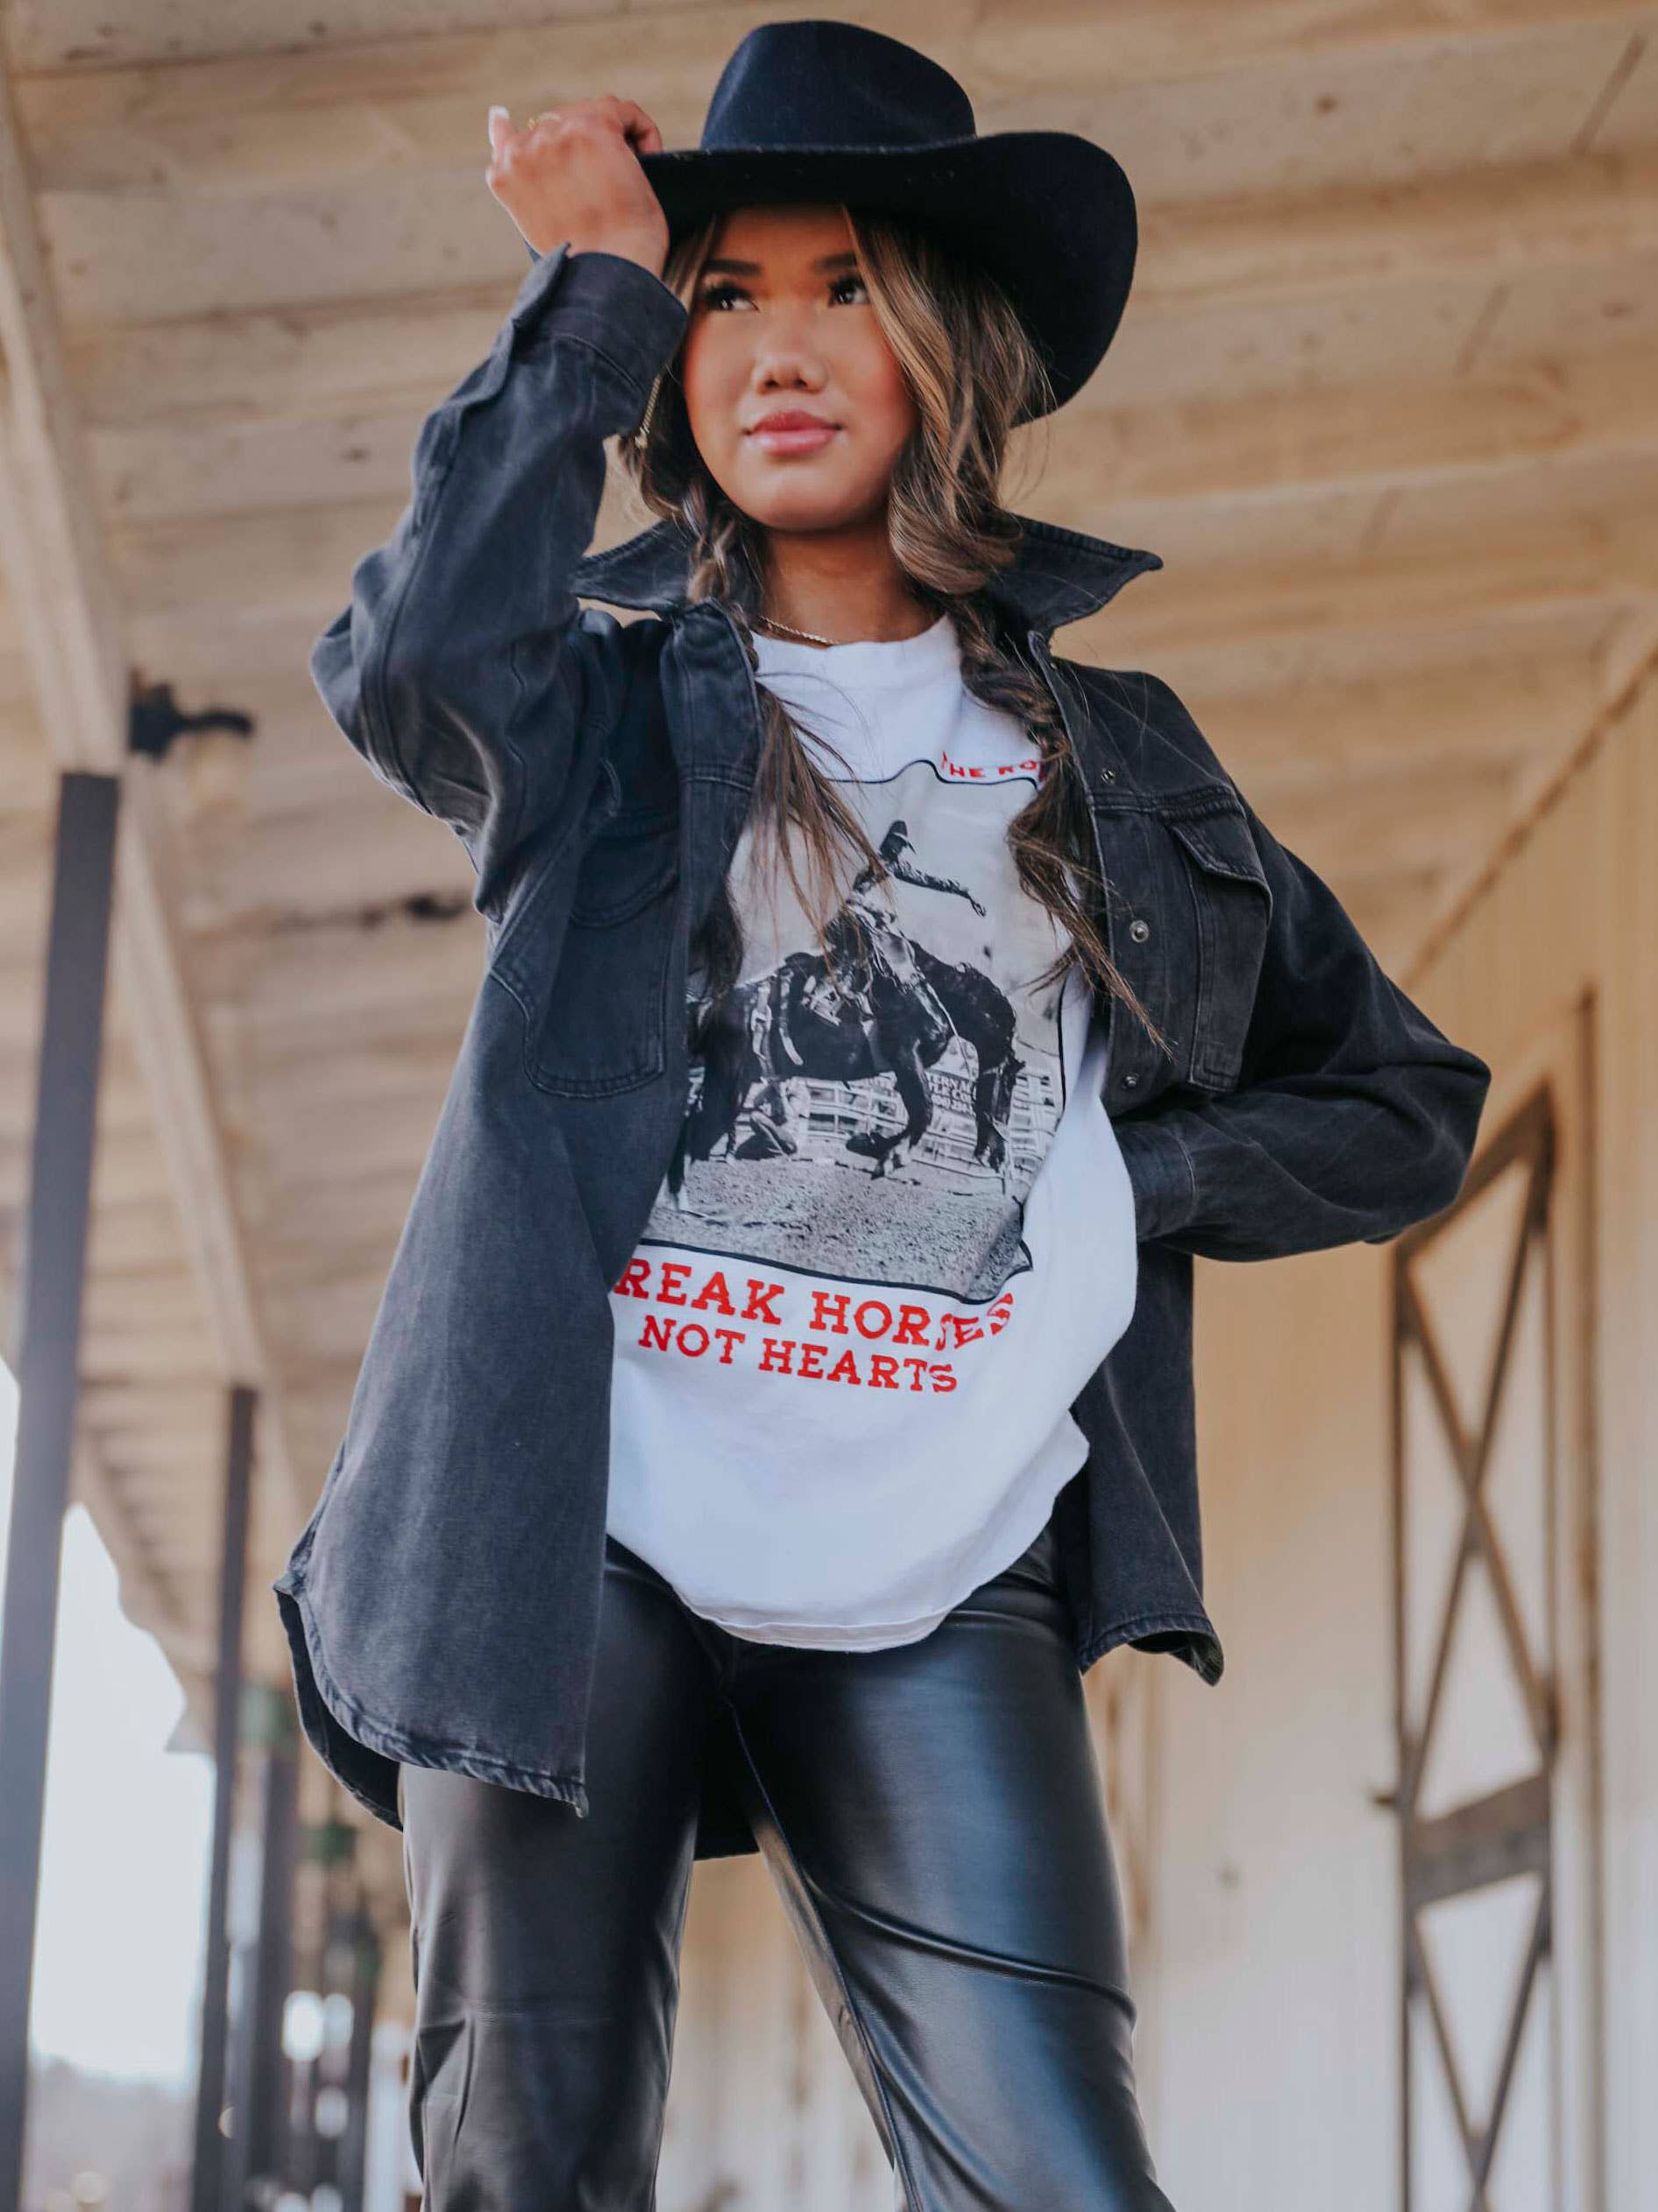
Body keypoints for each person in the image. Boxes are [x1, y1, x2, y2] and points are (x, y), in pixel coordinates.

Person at [272, 20, 1492, 2208]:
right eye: (727, 294)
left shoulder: (1114, 757)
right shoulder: (603, 708)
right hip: (573, 1524)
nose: (781, 347)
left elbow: (1407, 1099)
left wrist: (1115, 1173)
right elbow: (411, 662)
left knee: (1057, 2173)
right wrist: (585, 291)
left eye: (846, 287)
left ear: (946, 346)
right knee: (526, 2167)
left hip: (948, 1539)